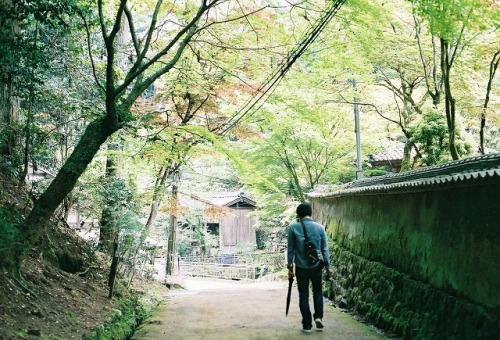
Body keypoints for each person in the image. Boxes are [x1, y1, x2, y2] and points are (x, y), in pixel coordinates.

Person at [287, 203, 333, 333]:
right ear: (311, 213)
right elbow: (324, 249)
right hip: (316, 267)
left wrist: (290, 269)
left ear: (298, 215)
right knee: (317, 291)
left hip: (301, 267)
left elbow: (290, 250)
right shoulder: (319, 228)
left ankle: (307, 325)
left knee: (303, 295)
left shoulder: (293, 228)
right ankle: (318, 316)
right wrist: (328, 267)